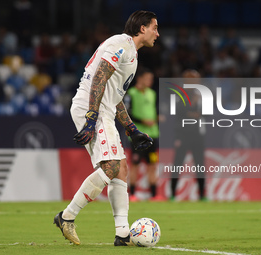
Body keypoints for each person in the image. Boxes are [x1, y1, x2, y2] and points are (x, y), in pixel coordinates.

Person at [54, 10, 159, 246]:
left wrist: (131, 129)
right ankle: (67, 216)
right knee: (111, 166)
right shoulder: (120, 43)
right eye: (154, 27)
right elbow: (99, 77)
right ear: (142, 28)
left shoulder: (131, 54)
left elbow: (115, 95)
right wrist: (91, 116)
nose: (158, 33)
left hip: (104, 110)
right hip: (93, 108)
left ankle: (122, 234)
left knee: (121, 168)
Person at [124, 67, 162, 201]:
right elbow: (127, 114)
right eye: (147, 78)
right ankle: (132, 194)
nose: (150, 81)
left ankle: (154, 195)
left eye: (151, 79)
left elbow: (154, 110)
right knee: (135, 165)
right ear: (139, 79)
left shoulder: (152, 93)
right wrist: (143, 121)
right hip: (138, 136)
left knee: (152, 165)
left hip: (153, 135)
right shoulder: (131, 94)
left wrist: (158, 117)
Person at [170, 69, 206, 201]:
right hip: (183, 135)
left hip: (197, 135)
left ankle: (202, 195)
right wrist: (193, 108)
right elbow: (180, 112)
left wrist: (192, 113)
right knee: (177, 164)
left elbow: (205, 112)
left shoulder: (201, 95)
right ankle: (172, 194)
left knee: (200, 165)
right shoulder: (180, 95)